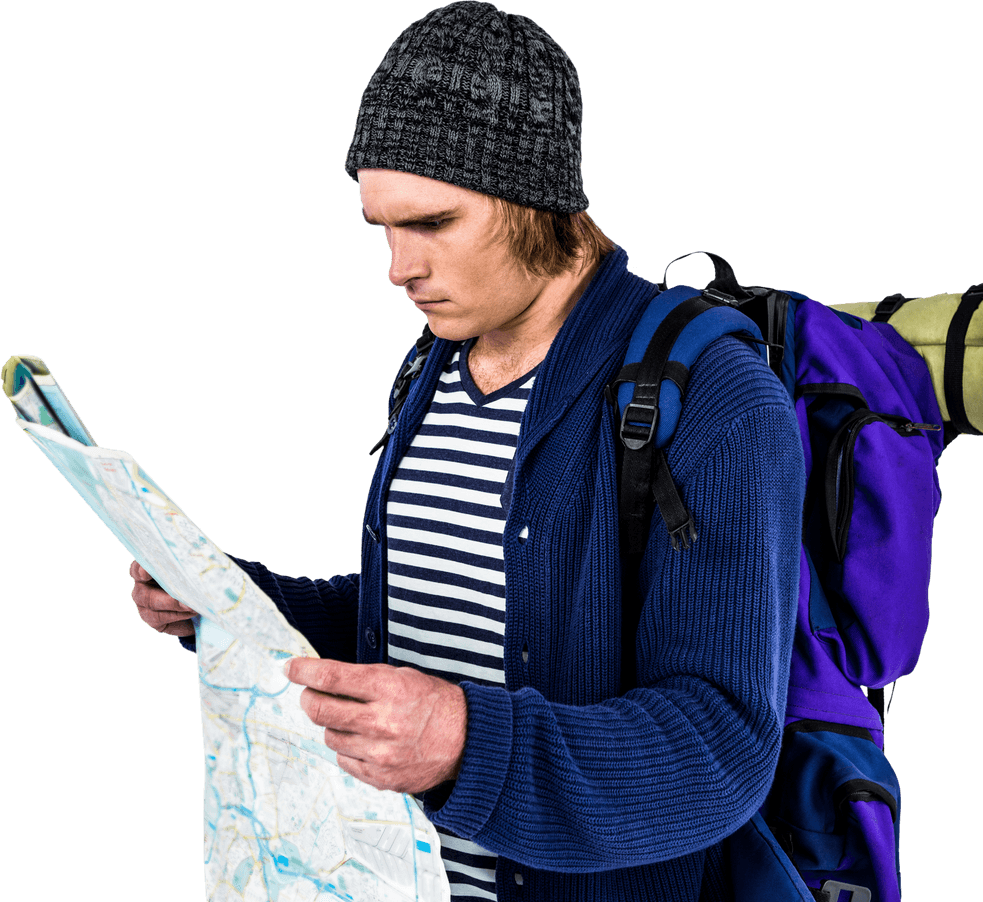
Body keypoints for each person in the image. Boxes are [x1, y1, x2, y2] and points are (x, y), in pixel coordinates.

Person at [130, 2, 806, 899]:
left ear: (536, 198)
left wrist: (465, 742)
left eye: (431, 223)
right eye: (382, 227)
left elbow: (721, 749)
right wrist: (239, 600)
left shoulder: (714, 396)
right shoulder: (434, 367)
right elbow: (418, 618)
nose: (396, 266)